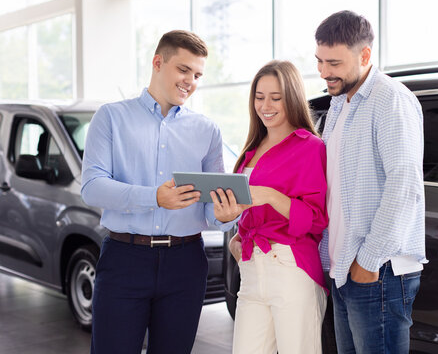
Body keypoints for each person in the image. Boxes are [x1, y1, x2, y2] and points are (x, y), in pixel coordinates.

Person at [81, 30, 241, 354]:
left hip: (186, 263)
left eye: (197, 75)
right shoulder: (111, 117)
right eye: (183, 70)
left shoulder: (207, 130)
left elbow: (212, 209)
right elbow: (92, 187)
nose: (190, 81)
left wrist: (226, 216)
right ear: (158, 62)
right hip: (124, 259)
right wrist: (154, 197)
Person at [315, 11, 428, 354]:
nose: (323, 72)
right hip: (345, 269)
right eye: (319, 61)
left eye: (333, 62)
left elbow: (404, 186)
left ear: (364, 56)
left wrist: (368, 261)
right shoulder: (338, 105)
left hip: (379, 272)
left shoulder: (390, 99)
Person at [226, 60, 328, 354]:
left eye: (275, 97)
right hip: (251, 270)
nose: (265, 105)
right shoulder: (250, 151)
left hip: (290, 269)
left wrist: (271, 196)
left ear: (292, 98)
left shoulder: (310, 147)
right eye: (259, 97)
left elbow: (316, 220)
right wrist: (232, 227)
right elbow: (243, 210)